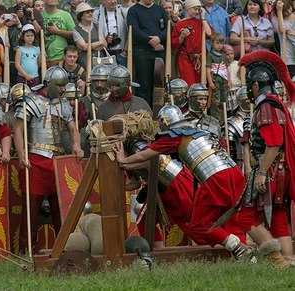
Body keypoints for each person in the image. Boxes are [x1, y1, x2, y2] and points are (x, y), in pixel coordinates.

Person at [114, 106, 260, 261]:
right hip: (233, 172)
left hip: (212, 177)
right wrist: (126, 167)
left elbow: (152, 157)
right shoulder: (199, 132)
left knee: (199, 224)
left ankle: (238, 248)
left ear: (164, 123)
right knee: (230, 220)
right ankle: (247, 258)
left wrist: (124, 160)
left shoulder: (173, 136)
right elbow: (138, 178)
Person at [13, 66, 84, 254]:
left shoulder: (63, 104)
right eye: (60, 86)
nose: (63, 90)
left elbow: (73, 129)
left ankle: (64, 251)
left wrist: (76, 146)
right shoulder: (30, 100)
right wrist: (22, 155)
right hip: (35, 160)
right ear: (48, 84)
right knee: (31, 213)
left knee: (61, 211)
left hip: (58, 162)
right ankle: (26, 252)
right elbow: (18, 130)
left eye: (64, 86)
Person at [236, 50, 295, 267]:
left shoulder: (266, 106)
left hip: (270, 170)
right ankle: (289, 261)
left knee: (245, 218)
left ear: (255, 87)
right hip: (280, 169)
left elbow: (274, 142)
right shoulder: (276, 103)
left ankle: (278, 262)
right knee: (279, 218)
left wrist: (261, 172)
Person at [126, 0, 167, 105]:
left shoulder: (159, 10)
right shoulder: (133, 11)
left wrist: (159, 39)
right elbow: (133, 29)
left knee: (159, 85)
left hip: (159, 52)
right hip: (142, 53)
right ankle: (144, 113)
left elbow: (167, 28)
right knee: (144, 85)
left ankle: (158, 113)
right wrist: (150, 40)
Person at [171, 0, 213, 86]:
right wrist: (182, 37)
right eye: (195, 9)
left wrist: (203, 18)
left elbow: (210, 34)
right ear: (189, 8)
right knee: (190, 85)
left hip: (200, 59)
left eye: (199, 9)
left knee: (201, 85)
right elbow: (173, 44)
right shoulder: (180, 24)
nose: (197, 12)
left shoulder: (199, 22)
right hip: (186, 60)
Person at [41, 0, 75, 67]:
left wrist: (58, 31)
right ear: (44, 0)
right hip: (43, 58)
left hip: (61, 58)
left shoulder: (66, 15)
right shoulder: (40, 15)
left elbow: (75, 34)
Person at [206, 33, 231, 120]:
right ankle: (215, 119)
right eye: (217, 43)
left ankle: (224, 120)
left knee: (224, 100)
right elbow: (208, 69)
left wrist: (229, 80)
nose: (220, 45)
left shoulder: (224, 56)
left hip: (224, 80)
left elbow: (227, 69)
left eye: (221, 43)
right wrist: (210, 82)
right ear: (212, 43)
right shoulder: (210, 55)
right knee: (215, 100)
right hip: (216, 79)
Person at [74, 2, 106, 68]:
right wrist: (99, 43)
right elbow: (84, 47)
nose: (91, 13)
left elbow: (104, 44)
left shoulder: (97, 26)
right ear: (81, 15)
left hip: (100, 61)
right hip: (84, 63)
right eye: (87, 12)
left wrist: (89, 46)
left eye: (91, 11)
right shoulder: (76, 30)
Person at [15, 24, 41, 88]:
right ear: (23, 37)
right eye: (27, 36)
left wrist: (41, 56)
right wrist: (25, 75)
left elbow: (39, 64)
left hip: (34, 78)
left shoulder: (37, 49)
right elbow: (17, 64)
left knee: (34, 95)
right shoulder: (20, 49)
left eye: (32, 35)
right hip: (22, 78)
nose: (30, 37)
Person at [274, 0, 295, 77]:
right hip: (288, 59)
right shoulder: (277, 19)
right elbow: (282, 30)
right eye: (285, 10)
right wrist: (279, 11)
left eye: (289, 8)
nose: (288, 12)